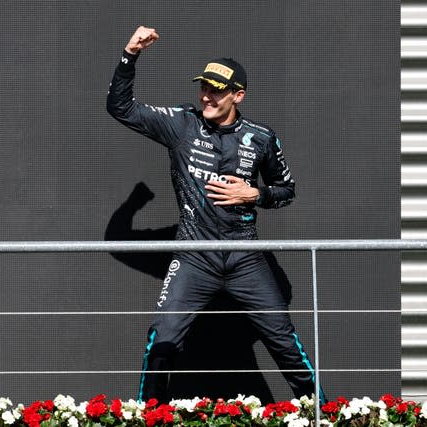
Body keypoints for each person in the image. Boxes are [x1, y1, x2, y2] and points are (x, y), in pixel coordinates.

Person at [106, 26, 324, 404]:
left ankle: (326, 413)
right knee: (163, 341)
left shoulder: (261, 137)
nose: (206, 96)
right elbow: (120, 107)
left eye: (217, 90)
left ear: (238, 95)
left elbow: (287, 191)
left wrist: (254, 193)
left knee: (285, 343)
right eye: (203, 87)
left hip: (245, 257)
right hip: (194, 254)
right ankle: (146, 416)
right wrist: (130, 54)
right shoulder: (182, 124)